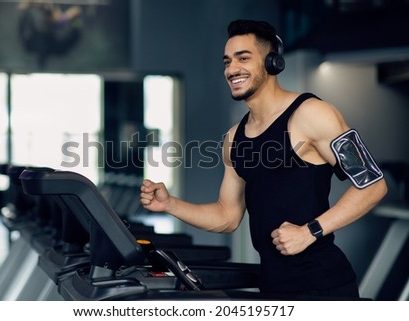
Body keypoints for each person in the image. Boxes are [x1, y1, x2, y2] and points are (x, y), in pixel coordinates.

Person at [140, 19, 388, 299]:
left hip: (322, 284)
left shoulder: (312, 114)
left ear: (272, 63)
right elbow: (227, 216)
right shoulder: (234, 138)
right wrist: (171, 204)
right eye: (227, 62)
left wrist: (310, 231)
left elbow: (373, 185)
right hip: (272, 284)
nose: (232, 69)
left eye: (243, 58)